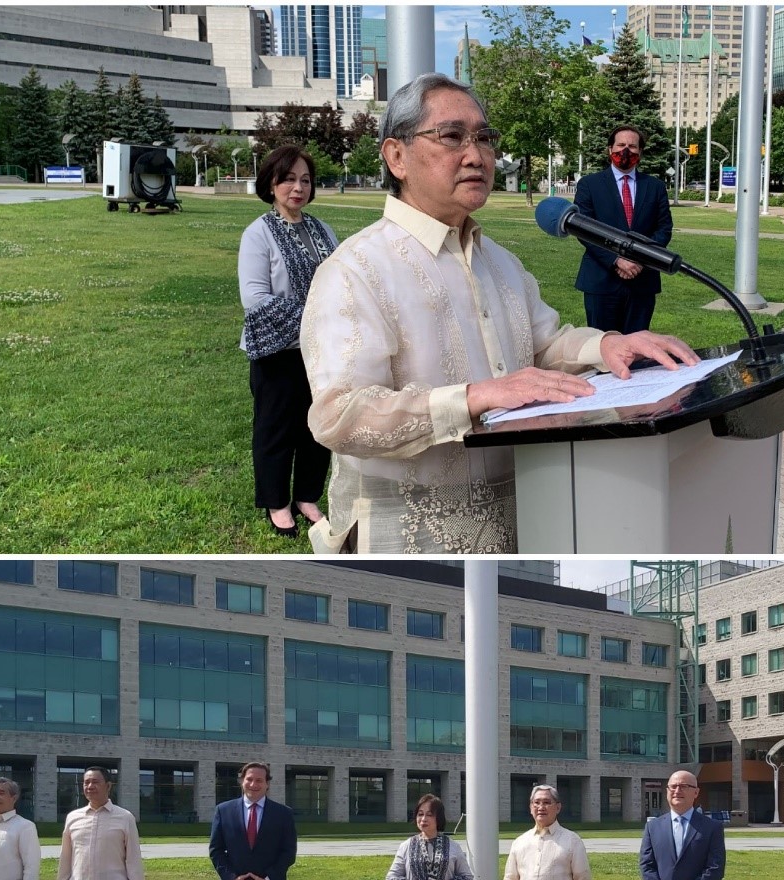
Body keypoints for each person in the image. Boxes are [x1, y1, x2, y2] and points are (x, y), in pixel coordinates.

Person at [299, 73, 698, 554]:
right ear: (396, 157)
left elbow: (545, 344)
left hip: (527, 517)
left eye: (484, 138)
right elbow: (340, 416)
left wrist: (608, 345)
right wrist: (473, 398)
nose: (476, 155)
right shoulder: (355, 270)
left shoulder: (501, 263)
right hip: (411, 543)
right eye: (451, 136)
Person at [239, 144, 338, 538]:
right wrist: (314, 319)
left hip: (321, 352)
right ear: (271, 183)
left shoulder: (322, 229)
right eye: (288, 179)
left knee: (317, 427)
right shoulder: (258, 233)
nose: (297, 187)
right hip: (277, 351)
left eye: (305, 180)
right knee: (275, 429)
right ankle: (277, 503)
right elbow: (255, 298)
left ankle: (306, 497)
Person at [573, 126, 674, 333]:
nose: (626, 151)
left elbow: (664, 229)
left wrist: (639, 259)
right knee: (602, 351)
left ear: (640, 152)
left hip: (642, 281)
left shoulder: (655, 187)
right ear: (610, 149)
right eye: (620, 145)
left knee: (638, 353)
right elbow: (584, 230)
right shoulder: (589, 185)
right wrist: (617, 260)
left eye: (632, 146)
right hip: (601, 281)